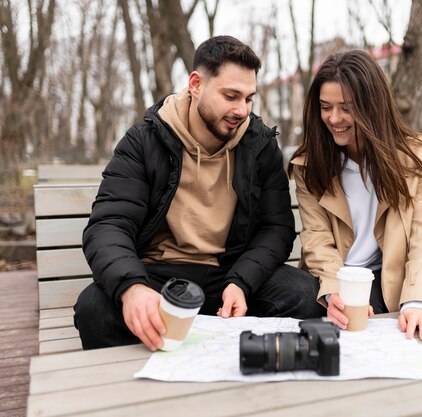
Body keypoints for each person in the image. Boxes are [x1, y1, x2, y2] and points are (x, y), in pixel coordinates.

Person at [74, 36, 324, 351]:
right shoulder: (143, 141)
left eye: (248, 98)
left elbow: (276, 229)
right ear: (196, 84)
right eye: (231, 95)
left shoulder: (259, 145)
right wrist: (133, 288)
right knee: (94, 310)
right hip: (158, 276)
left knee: (303, 294)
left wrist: (242, 281)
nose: (241, 110)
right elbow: (109, 224)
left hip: (229, 274)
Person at [289, 50, 422, 341]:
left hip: (386, 284)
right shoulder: (310, 164)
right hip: (332, 281)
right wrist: (335, 289)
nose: (334, 119)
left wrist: (419, 301)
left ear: (371, 106)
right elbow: (316, 238)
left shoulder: (413, 156)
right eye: (325, 107)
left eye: (346, 108)